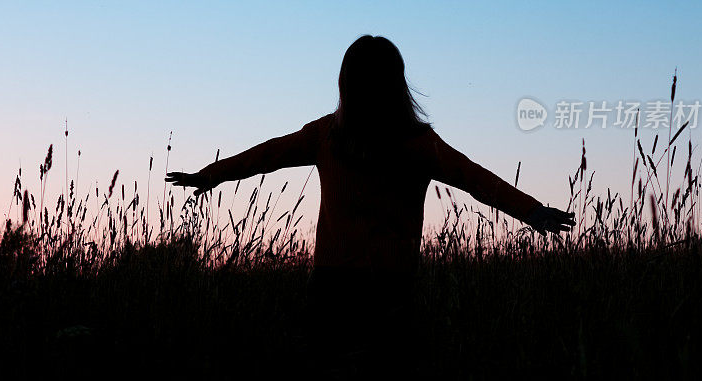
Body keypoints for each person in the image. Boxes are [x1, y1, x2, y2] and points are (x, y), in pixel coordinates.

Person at [166, 34, 575, 379]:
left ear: (345, 82)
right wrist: (532, 211)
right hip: (386, 285)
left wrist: (211, 175)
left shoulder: (329, 135)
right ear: (397, 84)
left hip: (336, 285)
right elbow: (477, 179)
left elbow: (265, 155)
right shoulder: (410, 144)